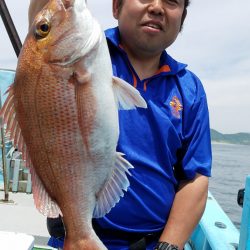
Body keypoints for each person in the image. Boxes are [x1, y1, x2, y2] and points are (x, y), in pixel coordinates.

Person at [28, 0, 212, 249]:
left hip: (152, 244)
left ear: (182, 19)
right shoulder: (85, 51)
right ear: (116, 7)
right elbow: (43, 21)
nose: (157, 7)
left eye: (171, 1)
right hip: (72, 237)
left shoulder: (190, 88)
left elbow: (195, 177)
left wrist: (168, 246)